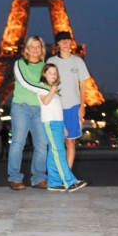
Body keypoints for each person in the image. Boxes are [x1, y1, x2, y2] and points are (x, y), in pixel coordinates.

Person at [37, 63, 88, 192]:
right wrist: (53, 89)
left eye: (55, 73)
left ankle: (53, 182)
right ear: (44, 74)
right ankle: (70, 181)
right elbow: (46, 101)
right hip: (50, 123)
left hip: (59, 123)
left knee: (53, 153)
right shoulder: (42, 87)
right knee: (59, 152)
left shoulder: (54, 90)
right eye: (50, 73)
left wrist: (64, 126)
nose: (53, 75)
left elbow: (57, 109)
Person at [8, 36, 48, 190]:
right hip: (21, 107)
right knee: (18, 143)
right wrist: (46, 88)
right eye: (32, 46)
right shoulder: (19, 64)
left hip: (39, 109)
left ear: (42, 49)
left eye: (38, 46)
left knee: (42, 145)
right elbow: (26, 83)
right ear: (27, 49)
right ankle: (14, 178)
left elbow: (55, 87)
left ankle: (39, 177)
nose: (35, 49)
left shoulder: (45, 67)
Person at [47, 31, 90, 168]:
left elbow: (82, 85)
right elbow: (47, 85)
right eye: (62, 40)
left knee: (70, 142)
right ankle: (58, 172)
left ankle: (67, 174)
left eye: (68, 40)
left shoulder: (78, 61)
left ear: (71, 42)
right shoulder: (51, 62)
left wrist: (82, 106)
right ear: (58, 44)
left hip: (72, 106)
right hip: (56, 107)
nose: (65, 42)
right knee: (58, 142)